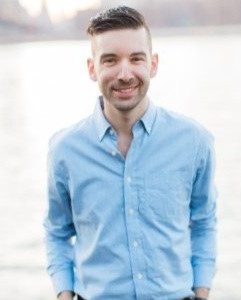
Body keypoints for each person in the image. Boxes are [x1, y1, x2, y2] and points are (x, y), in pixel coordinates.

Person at [44, 6, 217, 300]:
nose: (125, 74)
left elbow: (203, 222)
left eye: (136, 58)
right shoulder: (64, 150)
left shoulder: (195, 141)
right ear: (92, 68)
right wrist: (64, 293)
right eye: (110, 60)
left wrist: (202, 292)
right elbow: (57, 231)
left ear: (153, 64)